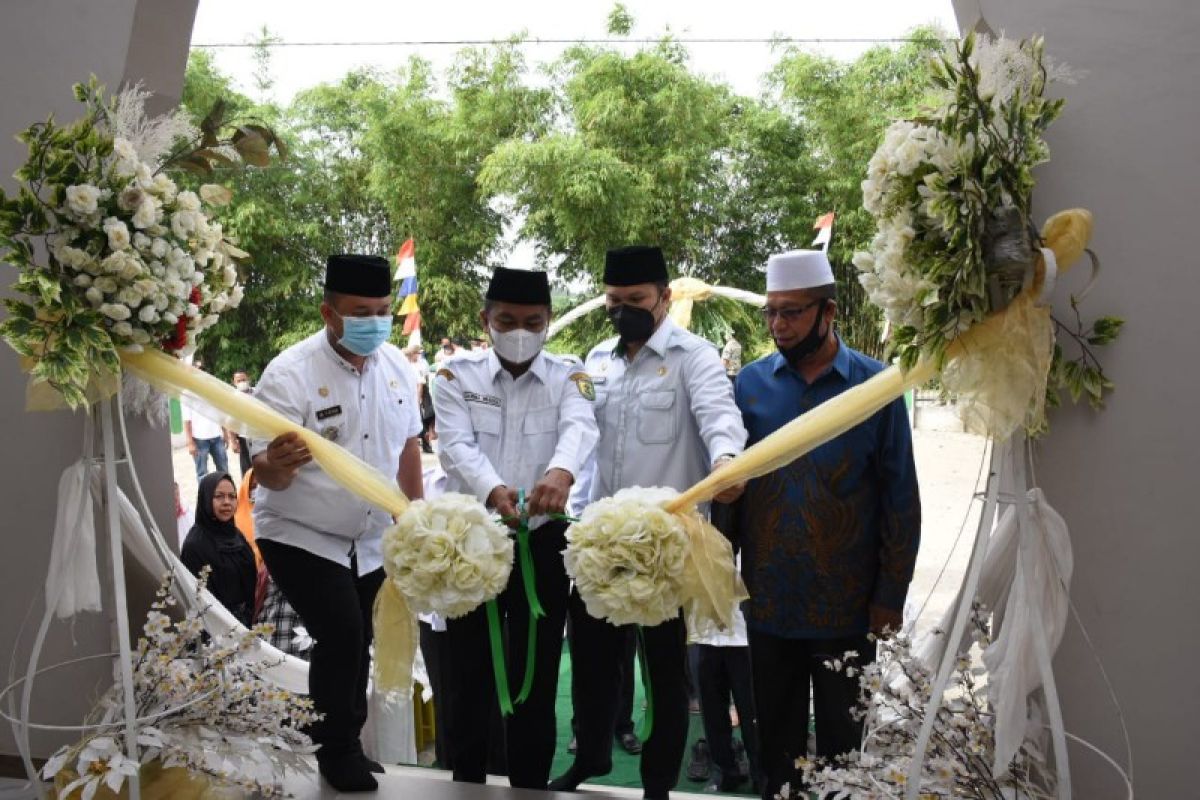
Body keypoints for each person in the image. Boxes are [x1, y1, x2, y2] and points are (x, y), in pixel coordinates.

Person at [551, 245, 748, 800]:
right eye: (613, 301)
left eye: (635, 300)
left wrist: (728, 463)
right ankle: (589, 756)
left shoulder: (695, 358)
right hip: (598, 545)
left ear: (664, 297)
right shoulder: (596, 361)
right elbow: (578, 432)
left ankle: (657, 783)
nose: (621, 310)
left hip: (664, 549)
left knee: (665, 678)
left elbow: (720, 419)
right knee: (592, 670)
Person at [732, 250, 921, 800]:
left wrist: (892, 592)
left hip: (848, 605)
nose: (778, 326)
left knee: (843, 742)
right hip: (768, 601)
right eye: (771, 313)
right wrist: (722, 577)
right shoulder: (749, 386)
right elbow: (729, 491)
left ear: (828, 311)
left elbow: (900, 495)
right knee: (777, 744)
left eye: (791, 313)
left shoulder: (876, 388)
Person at [251, 254, 425, 793]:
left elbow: (409, 447)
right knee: (342, 633)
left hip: (370, 536)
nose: (373, 322)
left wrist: (416, 517)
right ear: (329, 313)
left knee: (361, 635)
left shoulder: (397, 366)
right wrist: (272, 468)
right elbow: (263, 470)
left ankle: (348, 739)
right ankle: (336, 748)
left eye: (381, 311)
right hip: (300, 531)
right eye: (359, 312)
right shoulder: (289, 373)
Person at [434, 266, 599, 790]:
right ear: (486, 320)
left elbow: (581, 424)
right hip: (472, 541)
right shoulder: (455, 376)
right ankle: (466, 783)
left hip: (542, 543)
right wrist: (492, 489)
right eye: (508, 319)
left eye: (533, 320)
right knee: (469, 676)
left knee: (536, 675)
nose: (521, 330)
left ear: (549, 320)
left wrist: (561, 471)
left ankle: (529, 785)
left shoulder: (569, 375)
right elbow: (456, 445)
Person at [181, 472, 257, 628]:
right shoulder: (195, 546)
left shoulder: (235, 534)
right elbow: (200, 601)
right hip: (219, 633)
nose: (227, 502)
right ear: (206, 499)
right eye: (219, 496)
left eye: (232, 496)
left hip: (251, 625)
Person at [183, 363, 230, 481]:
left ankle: (226, 495)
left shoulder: (213, 390)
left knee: (224, 470)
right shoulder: (187, 393)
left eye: (201, 371)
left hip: (216, 438)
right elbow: (187, 420)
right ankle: (205, 498)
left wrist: (225, 433)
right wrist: (190, 442)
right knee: (202, 474)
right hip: (199, 440)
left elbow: (220, 413)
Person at [231, 370, 254, 477]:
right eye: (238, 381)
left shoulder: (256, 393)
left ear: (248, 379)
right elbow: (229, 421)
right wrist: (233, 441)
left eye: (243, 380)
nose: (242, 382)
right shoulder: (232, 397)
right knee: (246, 468)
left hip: (258, 436)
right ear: (234, 383)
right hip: (244, 437)